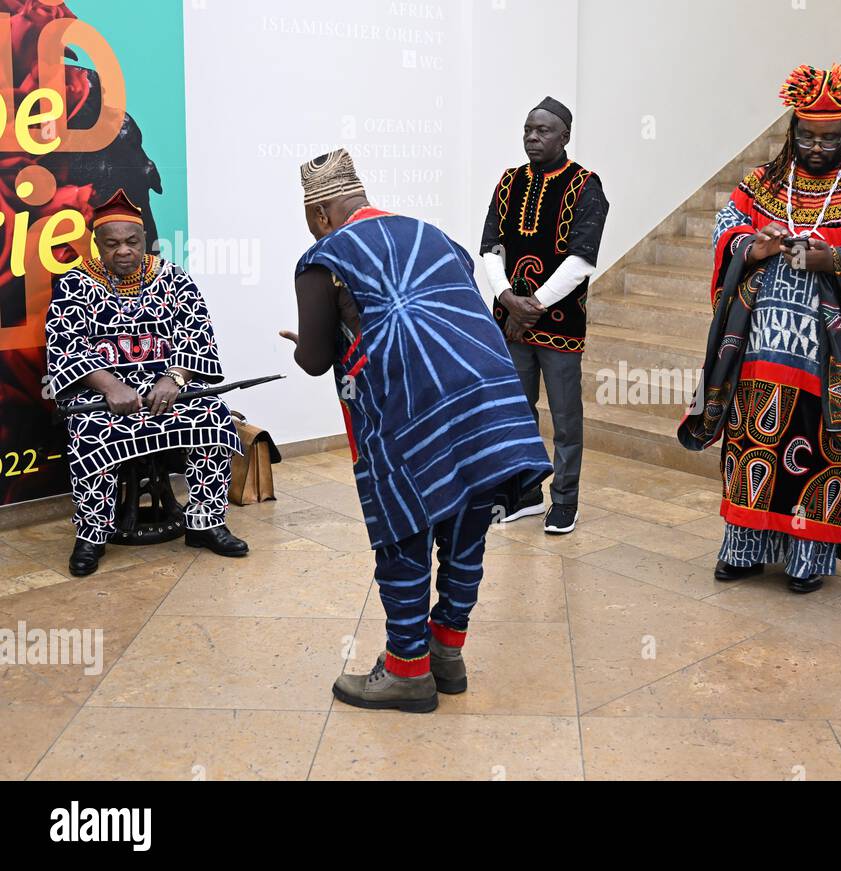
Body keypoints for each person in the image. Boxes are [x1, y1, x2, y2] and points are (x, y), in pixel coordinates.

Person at [284, 149, 552, 713]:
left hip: (407, 407)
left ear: (318, 215)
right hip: (486, 393)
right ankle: (447, 652)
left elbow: (312, 359)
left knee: (404, 529)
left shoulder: (324, 256)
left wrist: (311, 342)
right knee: (466, 524)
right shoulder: (436, 235)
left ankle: (408, 670)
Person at [679, 64, 841, 594]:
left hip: (832, 353)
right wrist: (752, 245)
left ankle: (810, 557)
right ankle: (743, 547)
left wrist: (836, 261)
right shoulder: (761, 182)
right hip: (759, 346)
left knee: (823, 446)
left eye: (830, 137)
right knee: (748, 441)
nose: (817, 146)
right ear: (792, 131)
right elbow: (726, 231)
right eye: (807, 134)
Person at [45, 189, 248, 577]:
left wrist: (174, 378)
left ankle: (206, 523)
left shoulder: (173, 279)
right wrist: (110, 387)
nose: (123, 251)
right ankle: (92, 534)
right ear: (97, 245)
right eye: (112, 243)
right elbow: (66, 346)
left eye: (132, 242)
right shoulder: (74, 283)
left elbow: (197, 333)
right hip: (102, 398)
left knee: (214, 418)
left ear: (144, 241)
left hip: (166, 391)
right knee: (91, 433)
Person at [480, 97, 609, 535]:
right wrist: (506, 297)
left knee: (565, 417)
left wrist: (529, 307)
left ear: (565, 136)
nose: (533, 138)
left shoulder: (586, 184)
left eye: (544, 131)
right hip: (510, 319)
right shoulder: (510, 180)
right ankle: (526, 493)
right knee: (518, 411)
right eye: (528, 130)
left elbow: (581, 260)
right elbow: (491, 246)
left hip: (560, 324)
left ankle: (565, 500)